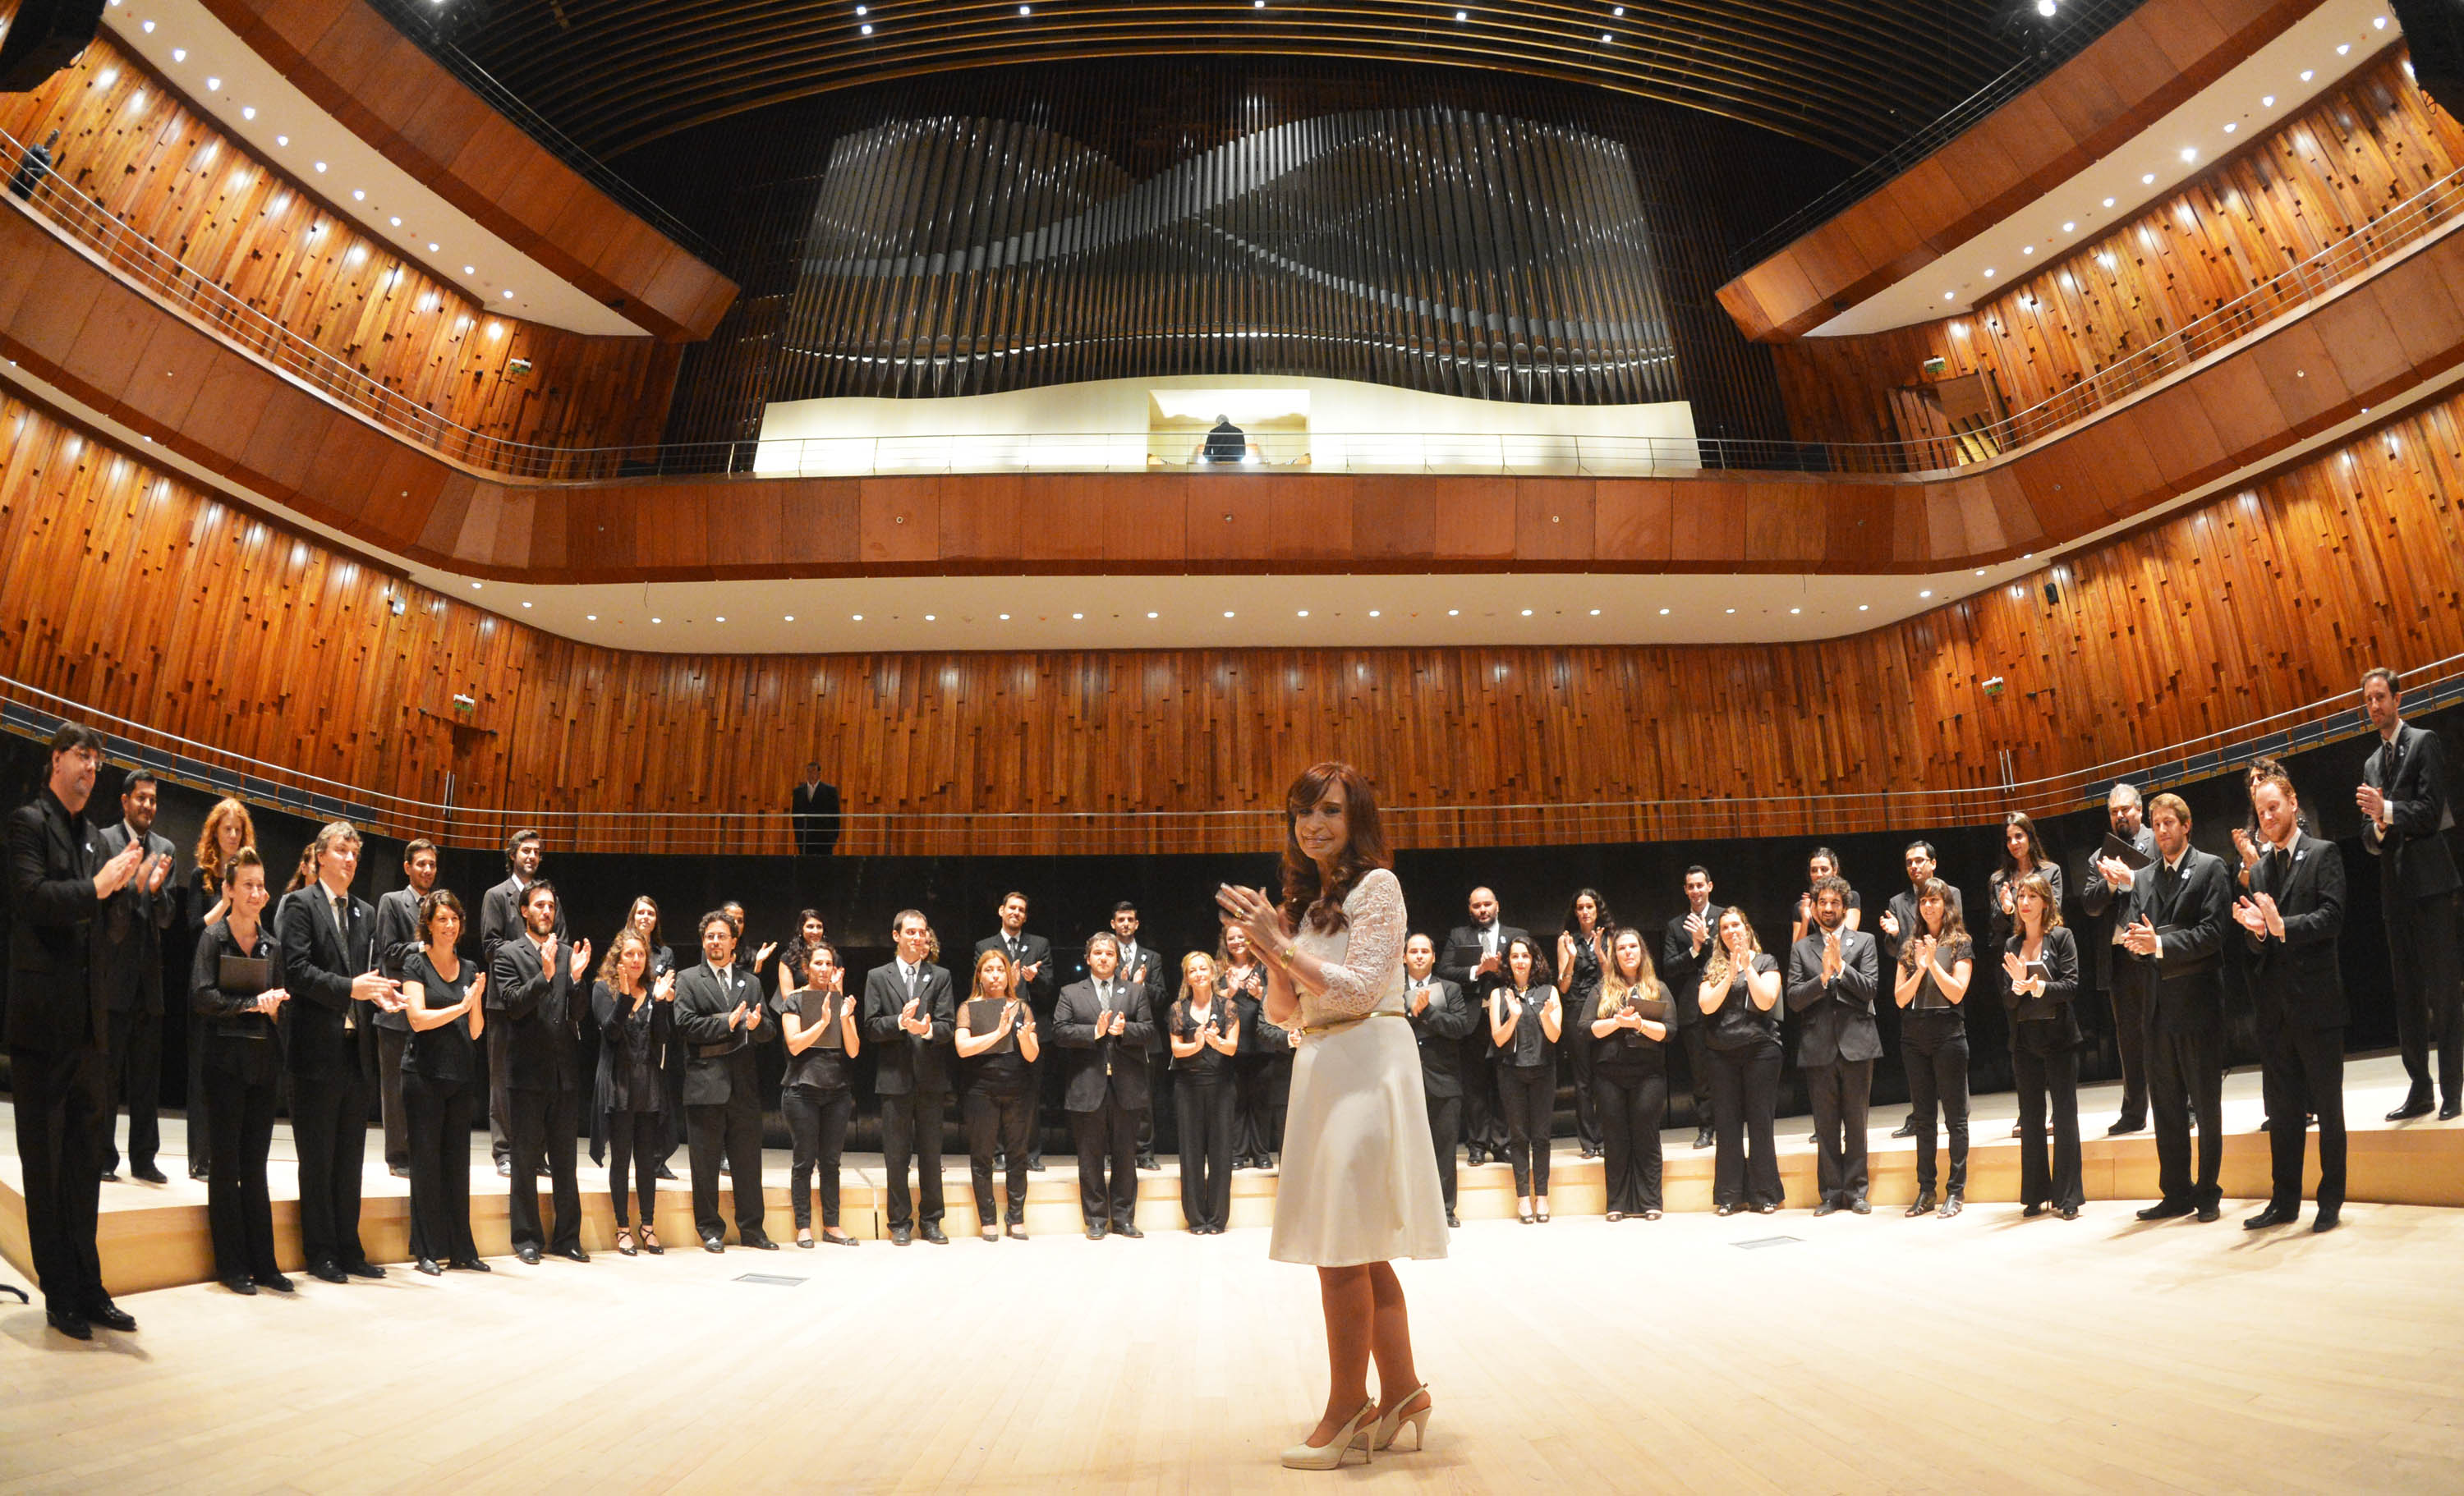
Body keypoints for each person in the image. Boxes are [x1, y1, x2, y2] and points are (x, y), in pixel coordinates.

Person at [1216, 762, 1443, 1469]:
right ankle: (1403, 1392)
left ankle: (1348, 1408)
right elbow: (1287, 1013)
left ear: (1358, 819)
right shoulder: (1310, 903)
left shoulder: (1380, 887)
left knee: (1340, 1245)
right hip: (1321, 1063)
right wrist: (1270, 954)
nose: (1314, 825)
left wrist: (1281, 947)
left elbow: (1362, 987)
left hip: (1367, 1061)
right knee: (1360, 1243)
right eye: (1303, 813)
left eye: (1331, 812)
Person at [7, 724, 151, 1339]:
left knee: (85, 1166)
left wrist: (128, 891)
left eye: (97, 762)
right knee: (45, 1166)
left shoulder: (95, 838)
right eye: (82, 759)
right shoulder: (26, 823)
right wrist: (100, 886)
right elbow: (33, 899)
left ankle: (89, 1286)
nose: (91, 771)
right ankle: (58, 1290)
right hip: (43, 1029)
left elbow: (110, 929)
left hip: (92, 1031)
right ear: (56, 760)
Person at [277, 820, 396, 1284]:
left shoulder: (365, 913)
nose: (349, 860)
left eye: (355, 854)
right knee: (318, 1158)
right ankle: (320, 1251)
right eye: (342, 852)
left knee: (349, 1160)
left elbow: (369, 977)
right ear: (321, 855)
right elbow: (297, 971)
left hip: (355, 1052)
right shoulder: (299, 904)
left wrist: (381, 995)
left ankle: (349, 1246)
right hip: (314, 1052)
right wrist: (352, 987)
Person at [2236, 767, 2349, 1232]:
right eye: (2261, 811)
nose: (2266, 816)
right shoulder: (2260, 869)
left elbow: (2333, 916)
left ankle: (2330, 1201)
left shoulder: (2324, 853)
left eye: (2273, 807)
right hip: (2276, 1010)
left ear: (2293, 803)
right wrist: (2257, 933)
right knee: (2282, 1114)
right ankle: (2284, 1200)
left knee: (2328, 1107)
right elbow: (2261, 945)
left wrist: (2286, 927)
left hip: (2317, 1004)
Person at [2356, 667, 2462, 1120]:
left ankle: (2453, 1092)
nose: (2375, 706)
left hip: (2432, 885)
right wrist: (2378, 825)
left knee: (2444, 991)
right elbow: (2366, 835)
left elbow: (2428, 810)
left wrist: (2388, 811)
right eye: (2369, 701)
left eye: (2381, 697)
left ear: (2398, 699)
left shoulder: (2424, 742)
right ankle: (2419, 1088)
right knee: (2407, 996)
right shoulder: (2370, 763)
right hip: (2394, 892)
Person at [188, 847, 293, 1294]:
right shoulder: (214, 937)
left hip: (262, 1066)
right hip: (224, 1066)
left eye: (261, 884)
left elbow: (285, 1004)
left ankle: (264, 1264)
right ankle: (230, 1266)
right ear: (229, 890)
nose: (257, 892)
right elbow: (201, 996)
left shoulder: (273, 945)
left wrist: (274, 1011)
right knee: (226, 1163)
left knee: (256, 1166)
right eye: (247, 885)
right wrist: (251, 1004)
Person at [2124, 792, 2232, 1223]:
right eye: (2157, 822)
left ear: (2187, 826)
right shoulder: (2144, 878)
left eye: (2170, 822)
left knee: (2205, 1106)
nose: (2163, 829)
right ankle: (2176, 1192)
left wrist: (2161, 943)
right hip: (2156, 1010)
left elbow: (2213, 934)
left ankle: (2208, 1191)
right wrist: (2140, 945)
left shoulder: (2210, 868)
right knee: (2166, 1108)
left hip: (2198, 1006)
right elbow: (2134, 935)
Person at [489, 881, 593, 1265]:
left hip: (563, 1074)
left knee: (566, 1161)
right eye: (540, 906)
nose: (547, 912)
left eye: (551, 906)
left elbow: (579, 1013)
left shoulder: (569, 954)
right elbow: (513, 1005)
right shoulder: (507, 954)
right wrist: (545, 975)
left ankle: (568, 1237)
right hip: (526, 1074)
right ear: (524, 911)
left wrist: (577, 980)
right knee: (525, 1159)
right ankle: (527, 1238)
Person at [672, 911, 779, 1251]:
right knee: (704, 1166)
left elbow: (768, 1031)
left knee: (749, 1164)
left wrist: (756, 1025)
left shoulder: (750, 982)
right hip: (705, 1085)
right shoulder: (688, 979)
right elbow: (685, 1025)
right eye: (709, 937)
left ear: (734, 942)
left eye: (721, 937)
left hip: (744, 1087)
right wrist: (728, 1023)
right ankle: (710, 1229)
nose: (714, 942)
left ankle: (753, 1229)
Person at [91, 770, 178, 1184]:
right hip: (112, 977)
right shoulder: (105, 840)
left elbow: (167, 919)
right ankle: (102, 1157)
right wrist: (131, 884)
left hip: (149, 983)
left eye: (153, 800)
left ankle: (144, 1159)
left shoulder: (165, 849)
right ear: (125, 801)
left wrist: (158, 890)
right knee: (106, 1075)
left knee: (146, 1078)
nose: (148, 806)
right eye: (141, 798)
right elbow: (99, 906)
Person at [399, 889, 487, 1274]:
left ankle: (462, 1249)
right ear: (429, 924)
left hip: (460, 1076)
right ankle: (426, 1250)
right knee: (426, 1164)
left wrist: (477, 1000)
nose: (449, 926)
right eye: (441, 919)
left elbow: (477, 1030)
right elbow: (417, 1018)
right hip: (423, 1075)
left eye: (454, 919)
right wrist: (459, 1006)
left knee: (456, 1165)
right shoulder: (415, 964)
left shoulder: (468, 968)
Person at [1786, 876, 1882, 1216]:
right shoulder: (1801, 948)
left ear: (1845, 906)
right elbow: (1795, 999)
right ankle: (1829, 1193)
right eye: (1822, 903)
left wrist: (1841, 966)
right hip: (1818, 1046)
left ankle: (1856, 1192)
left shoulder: (1864, 941)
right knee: (1824, 1126)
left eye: (1834, 903)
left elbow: (1870, 988)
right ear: (1813, 908)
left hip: (1858, 1044)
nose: (1828, 909)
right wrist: (1823, 978)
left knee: (1856, 1123)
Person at [865, 908, 957, 1245]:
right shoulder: (878, 976)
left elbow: (948, 1026)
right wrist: (900, 1024)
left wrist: (927, 1028)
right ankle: (899, 1222)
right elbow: (871, 1028)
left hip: (931, 1078)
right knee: (897, 1156)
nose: (919, 938)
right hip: (894, 1078)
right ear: (896, 936)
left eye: (923, 932)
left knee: (932, 1155)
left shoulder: (940, 975)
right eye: (912, 932)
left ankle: (932, 1220)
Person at [1056, 931, 1154, 1239]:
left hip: (1127, 1085)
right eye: (1097, 953)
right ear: (1088, 958)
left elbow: (1149, 1030)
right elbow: (1059, 1032)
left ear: (1118, 958)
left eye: (1109, 953)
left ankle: (1124, 1218)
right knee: (1090, 1156)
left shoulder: (1135, 991)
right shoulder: (1071, 992)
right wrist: (1093, 1033)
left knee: (1126, 1155)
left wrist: (1126, 1031)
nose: (1103, 958)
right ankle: (1096, 1219)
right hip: (1087, 1085)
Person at [181, 796, 256, 1180]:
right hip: (207, 977)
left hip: (240, 978)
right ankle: (200, 1157)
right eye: (226, 829)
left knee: (233, 1072)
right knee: (201, 1072)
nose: (231, 835)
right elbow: (193, 929)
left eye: (237, 829)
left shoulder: (250, 878)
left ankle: (227, 1157)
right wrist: (225, 904)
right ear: (215, 833)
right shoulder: (202, 876)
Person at [480, 830, 563, 1177]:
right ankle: (504, 1151)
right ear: (512, 854)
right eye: (525, 850)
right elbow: (491, 945)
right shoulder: (497, 895)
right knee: (503, 1078)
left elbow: (563, 940)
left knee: (541, 1079)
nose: (531, 856)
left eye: (537, 852)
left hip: (543, 998)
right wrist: (528, 955)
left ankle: (534, 1152)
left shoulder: (549, 897)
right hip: (505, 999)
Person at [2004, 874, 2084, 1218]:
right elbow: (2006, 999)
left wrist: (2039, 989)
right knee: (2031, 1118)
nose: (2024, 903)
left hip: (2059, 1037)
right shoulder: (2011, 945)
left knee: (2065, 1116)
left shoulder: (2062, 937)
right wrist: (2017, 988)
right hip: (2025, 1039)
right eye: (2021, 896)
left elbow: (2072, 985)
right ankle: (2036, 1193)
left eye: (2032, 897)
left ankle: (2068, 1197)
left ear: (2045, 903)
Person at [1892, 879, 1974, 1217]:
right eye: (1923, 901)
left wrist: (1934, 964)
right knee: (1924, 1120)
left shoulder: (1961, 943)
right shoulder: (1909, 946)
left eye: (1934, 900)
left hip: (1948, 1035)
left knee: (1955, 1118)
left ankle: (1956, 1191)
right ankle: (1926, 1190)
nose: (1928, 906)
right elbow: (1899, 998)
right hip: (1914, 1037)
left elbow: (1957, 992)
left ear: (1946, 905)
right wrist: (1919, 968)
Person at [591, 929, 673, 1259]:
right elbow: (610, 1033)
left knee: (647, 1162)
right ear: (618, 958)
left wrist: (664, 1003)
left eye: (641, 955)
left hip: (648, 1083)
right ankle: (623, 1227)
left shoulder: (653, 990)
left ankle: (648, 1226)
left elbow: (663, 1037)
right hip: (620, 1084)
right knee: (621, 1159)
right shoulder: (603, 989)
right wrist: (625, 998)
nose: (637, 960)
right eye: (630, 954)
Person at [2081, 782, 2158, 1136]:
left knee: (2163, 1032)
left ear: (2139, 811)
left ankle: (2180, 1105)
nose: (2120, 816)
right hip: (2118, 957)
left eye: (2126, 809)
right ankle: (2133, 1112)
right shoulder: (2099, 855)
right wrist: (2110, 883)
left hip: (2153, 950)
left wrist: (2132, 878)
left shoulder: (2157, 841)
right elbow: (2090, 904)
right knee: (2128, 1038)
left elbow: (2166, 889)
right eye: (2114, 812)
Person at [776, 941, 862, 1247]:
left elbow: (853, 1050)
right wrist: (823, 1022)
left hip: (837, 1090)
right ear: (806, 968)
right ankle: (803, 1226)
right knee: (804, 1161)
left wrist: (841, 1016)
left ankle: (832, 1224)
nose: (824, 969)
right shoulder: (795, 1001)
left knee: (831, 1162)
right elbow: (795, 1044)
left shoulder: (841, 1001)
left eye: (829, 964)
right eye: (818, 963)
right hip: (802, 1090)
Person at [1699, 907, 1782, 1216]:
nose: (1731, 931)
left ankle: (1764, 1193)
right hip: (1722, 1053)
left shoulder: (1766, 961)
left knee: (1760, 1123)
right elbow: (1706, 1006)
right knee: (1728, 1125)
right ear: (1719, 935)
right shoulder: (1713, 966)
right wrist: (1730, 973)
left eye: (1736, 925)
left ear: (1746, 929)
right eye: (1724, 927)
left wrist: (1747, 968)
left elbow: (1766, 1001)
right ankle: (1730, 1195)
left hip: (1761, 1050)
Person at [1878, 842, 1964, 1140]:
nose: (1914, 866)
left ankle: (1958, 1113)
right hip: (1915, 982)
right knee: (1918, 1066)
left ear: (1933, 863)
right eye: (1909, 862)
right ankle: (1919, 1115)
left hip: (1946, 978)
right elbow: (1899, 949)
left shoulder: (1951, 893)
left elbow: (1954, 934)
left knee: (1952, 1054)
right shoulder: (1897, 901)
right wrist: (1893, 934)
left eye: (1919, 860)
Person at [956, 948, 1041, 1241]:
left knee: (1018, 1154)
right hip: (981, 1089)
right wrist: (998, 1034)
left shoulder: (1021, 1007)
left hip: (1017, 1087)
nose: (995, 975)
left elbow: (1032, 1055)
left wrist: (1020, 1038)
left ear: (1009, 975)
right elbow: (962, 1048)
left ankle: (1016, 1218)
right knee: (982, 1156)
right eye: (989, 970)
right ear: (980, 975)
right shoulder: (969, 1007)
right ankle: (988, 1219)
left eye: (1000, 970)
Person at [369, 839, 441, 1180]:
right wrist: (424, 946)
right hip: (396, 1009)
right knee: (395, 1089)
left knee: (426, 1087)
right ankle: (398, 1155)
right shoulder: (392, 902)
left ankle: (424, 1152)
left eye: (432, 865)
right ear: (407, 867)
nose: (428, 870)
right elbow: (388, 951)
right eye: (422, 864)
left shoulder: (441, 906)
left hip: (431, 1010)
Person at [1437, 888, 1524, 1167]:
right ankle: (1477, 1146)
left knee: (1505, 1084)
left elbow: (1529, 969)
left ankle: (1503, 1144)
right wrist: (1478, 971)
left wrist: (1500, 970)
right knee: (1474, 1086)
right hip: (1472, 1019)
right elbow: (1445, 971)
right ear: (1469, 909)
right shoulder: (1458, 935)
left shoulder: (1516, 934)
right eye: (1477, 906)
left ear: (1497, 906)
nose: (1482, 910)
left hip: (1507, 1016)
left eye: (1487, 904)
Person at [1588, 927, 1671, 1221]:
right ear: (1614, 955)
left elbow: (1669, 1032)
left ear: (1642, 952)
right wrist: (1617, 1022)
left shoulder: (1658, 988)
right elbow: (1587, 1029)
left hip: (1648, 1074)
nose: (1627, 952)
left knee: (1646, 1135)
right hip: (1610, 1075)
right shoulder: (1601, 989)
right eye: (1621, 948)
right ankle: (1617, 1203)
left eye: (1633, 947)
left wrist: (1639, 1025)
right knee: (1615, 1137)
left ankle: (1651, 1201)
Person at [976, 892, 1055, 1170]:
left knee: (1030, 1095)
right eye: (1012, 908)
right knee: (996, 1092)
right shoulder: (985, 945)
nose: (1017, 913)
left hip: (1032, 1027)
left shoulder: (1040, 944)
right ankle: (998, 1153)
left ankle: (1030, 1154)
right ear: (1001, 911)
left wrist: (1033, 979)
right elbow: (979, 987)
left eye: (1022, 909)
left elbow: (1049, 989)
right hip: (994, 1026)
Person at [1401, 932, 1475, 1227]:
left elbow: (1460, 1026)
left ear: (1433, 956)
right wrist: (1411, 1012)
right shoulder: (1391, 990)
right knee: (1405, 1150)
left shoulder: (1451, 988)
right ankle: (1409, 1211)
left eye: (1424, 951)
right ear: (1404, 957)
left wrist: (1428, 1012)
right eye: (1413, 951)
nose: (1419, 955)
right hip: (1404, 1081)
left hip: (1443, 1080)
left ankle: (1445, 1210)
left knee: (1444, 1149)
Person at [1487, 934, 1561, 1225]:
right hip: (1511, 1071)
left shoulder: (1549, 992)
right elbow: (1498, 1037)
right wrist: (1513, 1017)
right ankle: (1522, 1199)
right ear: (1508, 962)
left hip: (1543, 1069)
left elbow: (1555, 1036)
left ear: (1534, 960)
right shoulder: (1498, 995)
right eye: (1515, 956)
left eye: (1525, 956)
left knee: (1541, 1136)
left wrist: (1544, 1017)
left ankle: (1542, 1196)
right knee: (1518, 1137)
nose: (1520, 961)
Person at [1167, 950, 1239, 1234]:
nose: (1198, 974)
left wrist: (1215, 1040)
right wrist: (1197, 1044)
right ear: (1187, 977)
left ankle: (1217, 1219)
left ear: (1212, 973)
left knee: (1221, 1153)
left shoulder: (1228, 1007)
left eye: (1203, 969)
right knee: (1191, 1153)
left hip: (1221, 1085)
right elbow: (1176, 1049)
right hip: (1188, 1087)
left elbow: (1232, 1048)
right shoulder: (1177, 1008)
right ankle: (1196, 1219)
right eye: (1192, 970)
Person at [1660, 866, 1725, 1150]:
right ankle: (1706, 1127)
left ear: (1710, 886)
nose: (1696, 891)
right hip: (1692, 1007)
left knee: (1727, 1069)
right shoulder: (1676, 925)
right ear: (1685, 890)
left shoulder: (1725, 917)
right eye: (1691, 886)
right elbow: (1669, 967)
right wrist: (1695, 950)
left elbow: (1734, 952)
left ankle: (1729, 1126)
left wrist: (1707, 942)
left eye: (1700, 885)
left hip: (1724, 1002)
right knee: (1700, 1074)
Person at [623, 895, 683, 1180]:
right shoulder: (621, 946)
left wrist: (668, 996)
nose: (646, 917)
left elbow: (671, 991)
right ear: (633, 916)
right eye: (641, 912)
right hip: (628, 1025)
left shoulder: (665, 953)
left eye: (651, 913)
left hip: (656, 1026)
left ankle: (657, 1159)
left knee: (659, 1094)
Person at [1223, 923, 1290, 1169]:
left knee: (1262, 1102)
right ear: (1225, 941)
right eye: (1232, 938)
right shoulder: (1220, 968)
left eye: (1242, 937)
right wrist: (1228, 992)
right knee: (1237, 1101)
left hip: (1262, 1043)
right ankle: (1238, 1154)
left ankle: (1261, 1154)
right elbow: (1207, 999)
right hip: (1233, 1045)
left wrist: (1262, 992)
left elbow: (1281, 1000)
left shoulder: (1264, 967)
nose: (1237, 941)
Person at [1110, 901, 1171, 1170]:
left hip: (1147, 1037)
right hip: (1113, 1036)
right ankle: (1116, 1153)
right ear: (1113, 924)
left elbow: (1162, 998)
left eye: (1130, 919)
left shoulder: (1152, 957)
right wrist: (1120, 984)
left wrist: (1140, 986)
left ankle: (1145, 1153)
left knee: (1144, 1098)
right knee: (1114, 1099)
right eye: (1120, 919)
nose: (1125, 924)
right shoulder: (1105, 953)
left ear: (1137, 924)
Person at [1554, 889, 1612, 1159]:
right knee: (1582, 1081)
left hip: (1605, 1009)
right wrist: (1573, 958)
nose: (1585, 911)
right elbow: (1563, 987)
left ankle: (1607, 1137)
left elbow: (1613, 979)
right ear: (1575, 912)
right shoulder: (1566, 940)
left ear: (1597, 909)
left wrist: (1600, 953)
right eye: (1580, 907)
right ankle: (1588, 1142)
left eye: (1590, 906)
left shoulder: (1610, 937)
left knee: (1606, 1076)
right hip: (1577, 1009)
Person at [1789, 847, 1862, 947]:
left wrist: (1816, 916)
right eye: (1814, 870)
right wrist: (1805, 920)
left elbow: (1847, 937)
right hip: (1812, 959)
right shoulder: (1802, 906)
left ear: (1835, 870)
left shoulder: (1850, 897)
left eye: (1824, 869)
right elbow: (1796, 951)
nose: (1819, 874)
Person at [791, 761, 843, 856]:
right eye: (808, 771)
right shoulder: (798, 791)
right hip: (805, 838)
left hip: (824, 838)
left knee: (824, 867)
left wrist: (834, 837)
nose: (811, 774)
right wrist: (798, 836)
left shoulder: (830, 791)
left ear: (819, 773)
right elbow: (795, 815)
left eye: (813, 771)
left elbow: (836, 815)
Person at [9, 130, 59, 200]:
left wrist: (31, 171)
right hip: (19, 179)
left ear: (55, 142)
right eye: (50, 136)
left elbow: (43, 171)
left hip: (28, 187)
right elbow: (26, 157)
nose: (50, 139)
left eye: (53, 139)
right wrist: (28, 171)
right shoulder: (36, 146)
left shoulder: (49, 159)